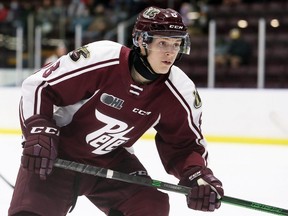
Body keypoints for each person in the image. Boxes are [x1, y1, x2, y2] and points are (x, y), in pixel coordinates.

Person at [9, 6, 224, 216]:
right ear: (141, 41)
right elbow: (40, 86)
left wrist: (198, 176)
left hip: (110, 160)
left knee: (150, 206)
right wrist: (39, 131)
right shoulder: (103, 58)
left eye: (177, 44)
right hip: (56, 155)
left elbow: (184, 146)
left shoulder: (179, 90)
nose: (170, 52)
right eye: (162, 43)